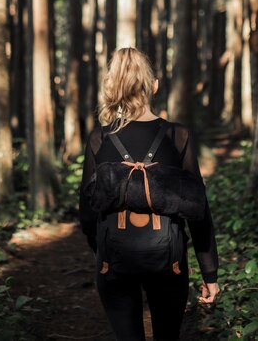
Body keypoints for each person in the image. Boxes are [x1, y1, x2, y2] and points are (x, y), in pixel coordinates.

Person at [79, 46, 220, 341]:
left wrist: (105, 250)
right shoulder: (177, 136)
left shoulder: (99, 139)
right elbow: (198, 210)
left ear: (112, 86)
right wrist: (210, 273)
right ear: (154, 86)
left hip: (113, 261)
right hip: (170, 263)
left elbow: (88, 214)